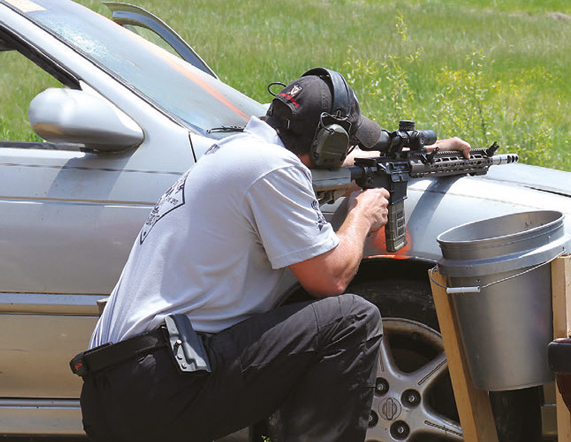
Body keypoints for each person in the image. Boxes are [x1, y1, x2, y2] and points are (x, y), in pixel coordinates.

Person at [71, 68, 469, 442]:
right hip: (158, 384)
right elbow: (329, 279)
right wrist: (361, 217)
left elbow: (337, 167)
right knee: (351, 320)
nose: (348, 151)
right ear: (326, 141)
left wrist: (425, 154)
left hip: (118, 388)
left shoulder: (237, 153)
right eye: (345, 141)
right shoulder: (273, 170)